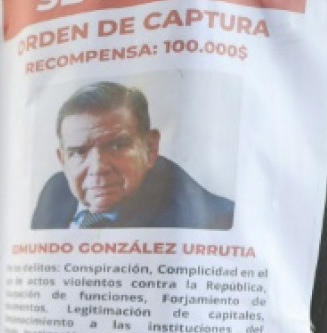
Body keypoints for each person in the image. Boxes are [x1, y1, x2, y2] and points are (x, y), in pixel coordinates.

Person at [31, 81, 235, 231]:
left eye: (117, 145)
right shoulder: (55, 192)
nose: (97, 167)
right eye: (78, 152)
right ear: (62, 159)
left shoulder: (211, 221)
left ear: (150, 148)